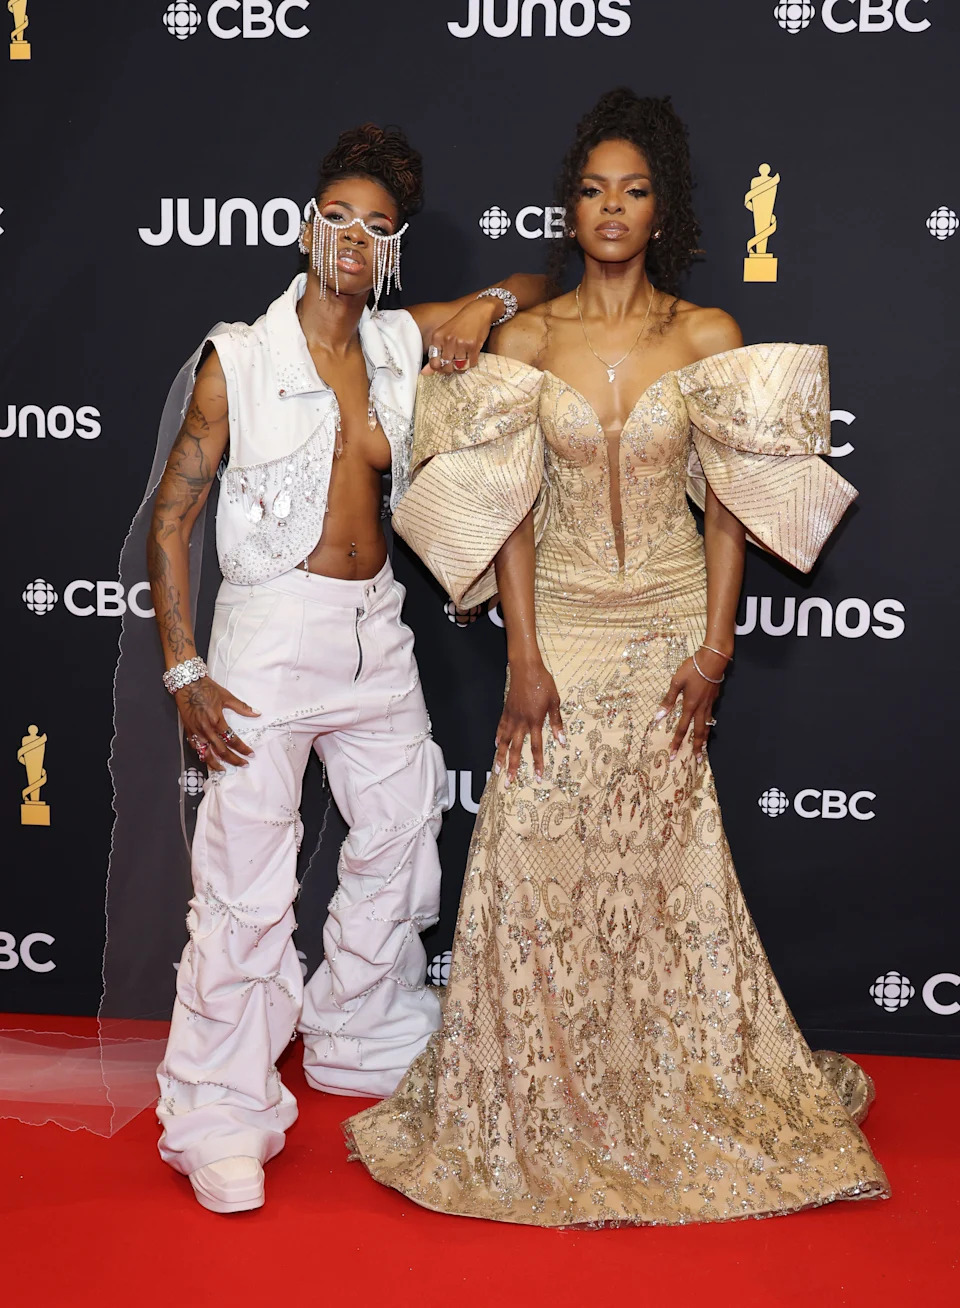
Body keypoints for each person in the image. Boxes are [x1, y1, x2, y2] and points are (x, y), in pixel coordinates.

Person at [345, 91, 890, 1226]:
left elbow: (736, 509)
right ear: (571, 203)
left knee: (660, 872)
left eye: (634, 190)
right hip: (567, 630)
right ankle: (542, 1099)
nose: (611, 207)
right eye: (593, 188)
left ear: (662, 209)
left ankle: (668, 1090)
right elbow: (513, 510)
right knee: (534, 856)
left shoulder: (707, 338)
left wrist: (715, 646)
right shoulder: (527, 340)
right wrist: (524, 658)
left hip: (670, 629)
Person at [147, 123, 546, 1214]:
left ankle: (357, 1030)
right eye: (339, 216)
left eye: (378, 225)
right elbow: (173, 519)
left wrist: (484, 310)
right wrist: (184, 665)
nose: (355, 238)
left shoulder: (394, 346)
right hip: (269, 636)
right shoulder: (243, 356)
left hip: (378, 631)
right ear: (304, 226)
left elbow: (530, 275)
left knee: (405, 827)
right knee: (243, 881)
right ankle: (220, 1106)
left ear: (393, 246)